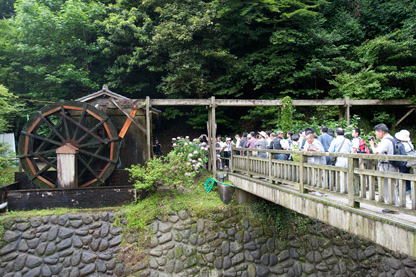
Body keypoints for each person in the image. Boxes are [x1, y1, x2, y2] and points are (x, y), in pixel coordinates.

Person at [369, 123, 399, 210]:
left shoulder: (386, 140)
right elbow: (383, 150)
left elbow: (376, 152)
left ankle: (391, 206)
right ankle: (393, 205)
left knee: (388, 185)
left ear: (381, 132)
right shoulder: (391, 138)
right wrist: (376, 144)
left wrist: (371, 145)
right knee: (392, 185)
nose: (376, 135)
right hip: (392, 165)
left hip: (388, 166)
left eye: (376, 133)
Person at [328, 128, 352, 192]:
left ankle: (342, 190)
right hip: (347, 159)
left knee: (340, 175)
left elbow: (330, 151)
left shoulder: (335, 140)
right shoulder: (348, 140)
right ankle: (347, 189)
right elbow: (351, 150)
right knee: (347, 174)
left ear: (336, 133)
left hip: (339, 159)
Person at [395, 130, 414, 204]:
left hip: (404, 163)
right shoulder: (410, 144)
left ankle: (406, 197)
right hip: (409, 164)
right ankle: (407, 197)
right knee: (407, 179)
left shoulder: (402, 145)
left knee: (403, 179)